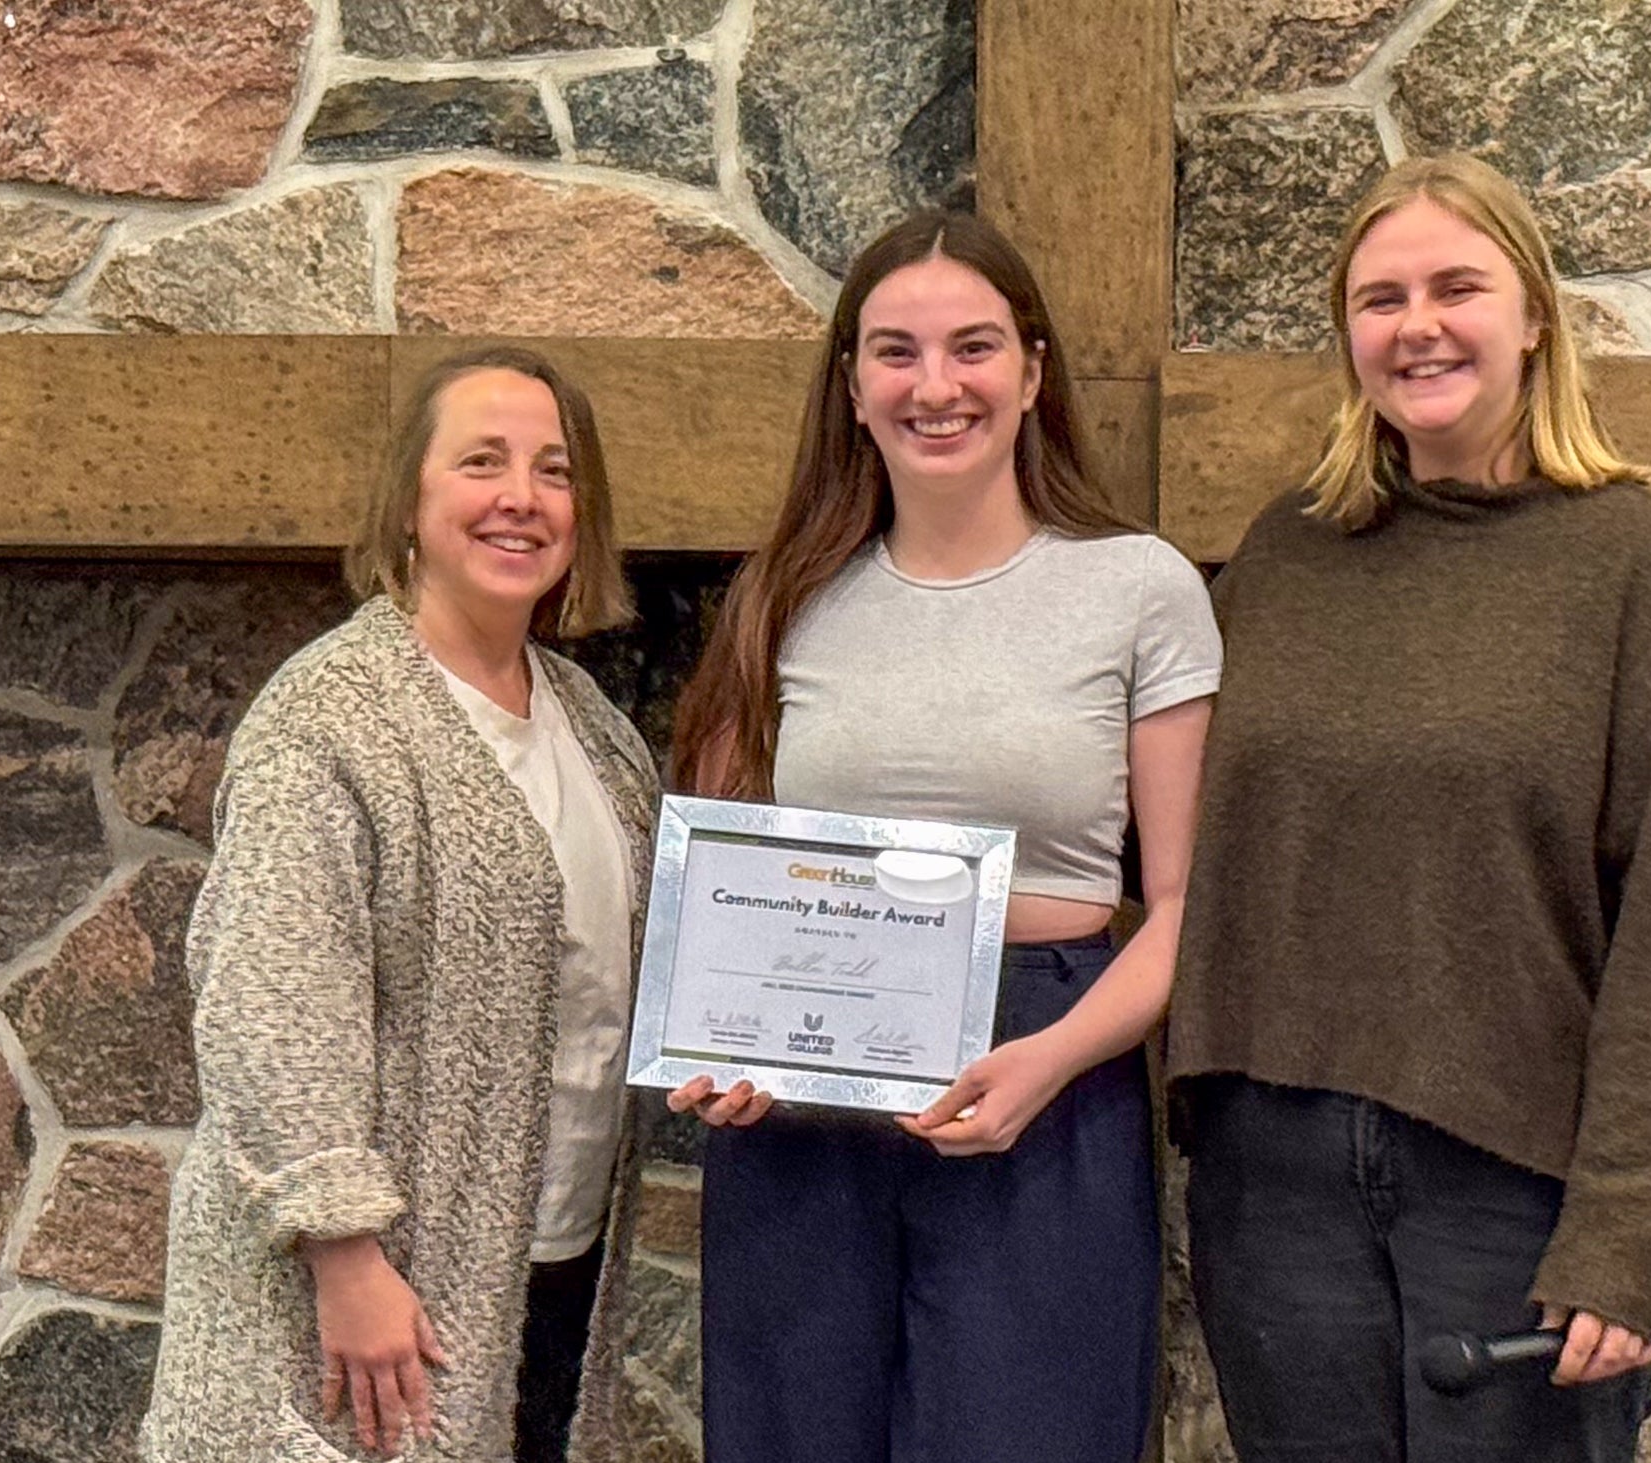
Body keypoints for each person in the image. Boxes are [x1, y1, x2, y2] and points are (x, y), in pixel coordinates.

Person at [1168, 152, 1651, 1462]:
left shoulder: (1638, 566)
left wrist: (1631, 1230)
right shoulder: (1285, 555)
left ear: (1534, 316)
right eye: (1381, 297)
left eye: (1458, 286)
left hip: (1514, 1188)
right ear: (1349, 333)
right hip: (1272, 1180)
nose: (1418, 324)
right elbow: (1173, 845)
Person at [665, 210, 1220, 1463]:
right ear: (852, 387)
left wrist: (1051, 1059)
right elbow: (723, 883)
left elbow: (1186, 902)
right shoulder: (784, 596)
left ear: (1029, 372)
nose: (934, 386)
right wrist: (717, 1053)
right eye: (894, 352)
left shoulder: (1138, 586)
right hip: (804, 1101)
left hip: (1048, 1070)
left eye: (971, 348)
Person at [140, 347, 657, 1463]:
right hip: (366, 1289)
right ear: (410, 504)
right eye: (481, 461)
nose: (521, 496)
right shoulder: (331, 717)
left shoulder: (593, 727)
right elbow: (271, 999)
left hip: (547, 1253)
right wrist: (344, 1251)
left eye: (554, 470)